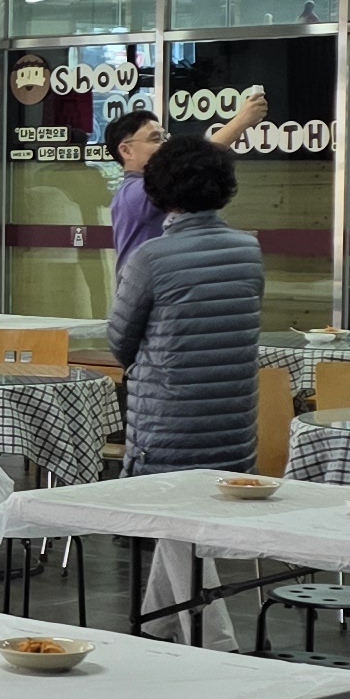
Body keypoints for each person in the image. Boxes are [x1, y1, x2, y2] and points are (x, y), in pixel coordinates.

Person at [110, 132, 265, 640]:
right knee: (180, 526)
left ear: (158, 191)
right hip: (233, 423)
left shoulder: (151, 258)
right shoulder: (248, 250)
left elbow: (119, 340)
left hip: (168, 422)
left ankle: (218, 643)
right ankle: (156, 632)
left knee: (174, 520)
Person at [105, 85, 265, 266]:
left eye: (165, 138)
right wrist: (241, 121)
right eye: (155, 139)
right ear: (126, 150)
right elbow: (196, 160)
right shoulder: (134, 193)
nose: (165, 146)